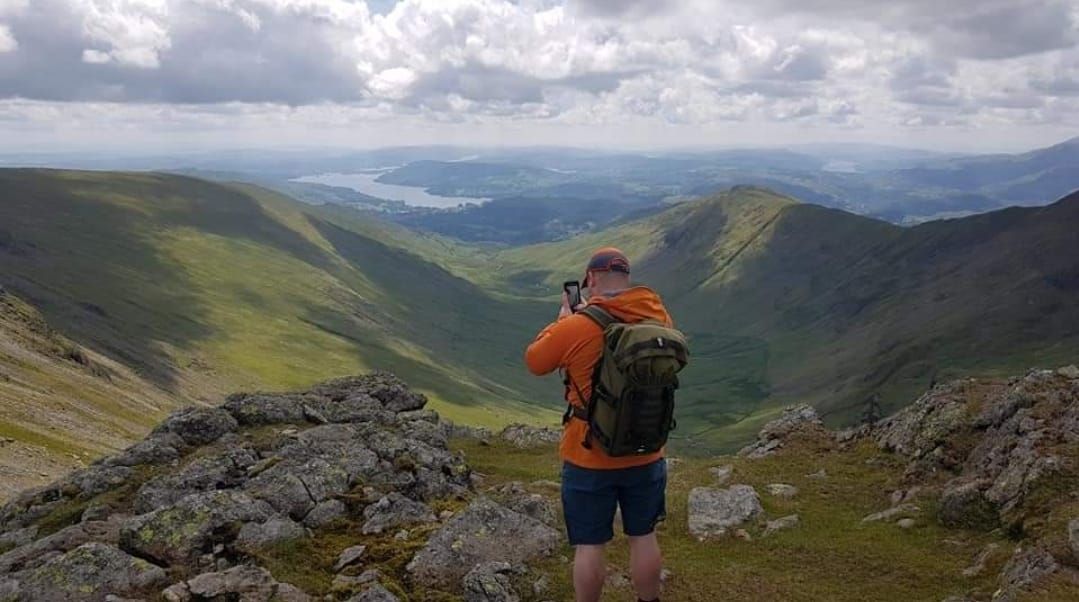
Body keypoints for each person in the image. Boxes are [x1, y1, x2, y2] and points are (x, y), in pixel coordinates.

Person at [525, 247, 673, 602]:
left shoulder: (578, 325)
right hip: (648, 450)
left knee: (590, 544)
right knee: (643, 535)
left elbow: (535, 361)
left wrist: (562, 319)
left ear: (590, 280)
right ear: (626, 277)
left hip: (588, 453)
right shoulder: (660, 320)